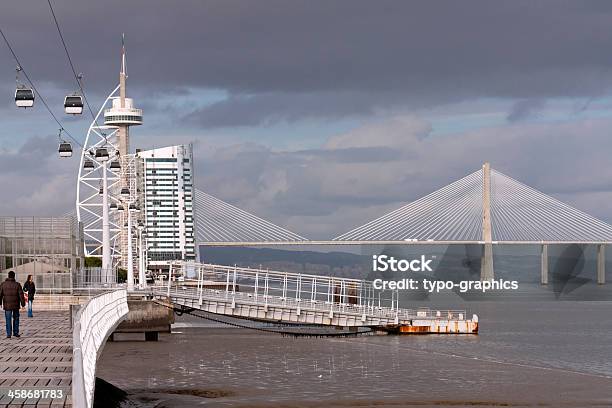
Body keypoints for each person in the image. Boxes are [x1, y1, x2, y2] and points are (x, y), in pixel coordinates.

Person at [0, 271, 25, 339]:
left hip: (7, 305)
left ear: (8, 276)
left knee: (8, 319)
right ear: (14, 276)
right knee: (16, 318)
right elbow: (21, 295)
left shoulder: (3, 284)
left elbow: (0, 294)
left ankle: (8, 334)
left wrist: (0, 303)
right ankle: (16, 332)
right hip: (16, 305)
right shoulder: (17, 284)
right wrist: (23, 304)